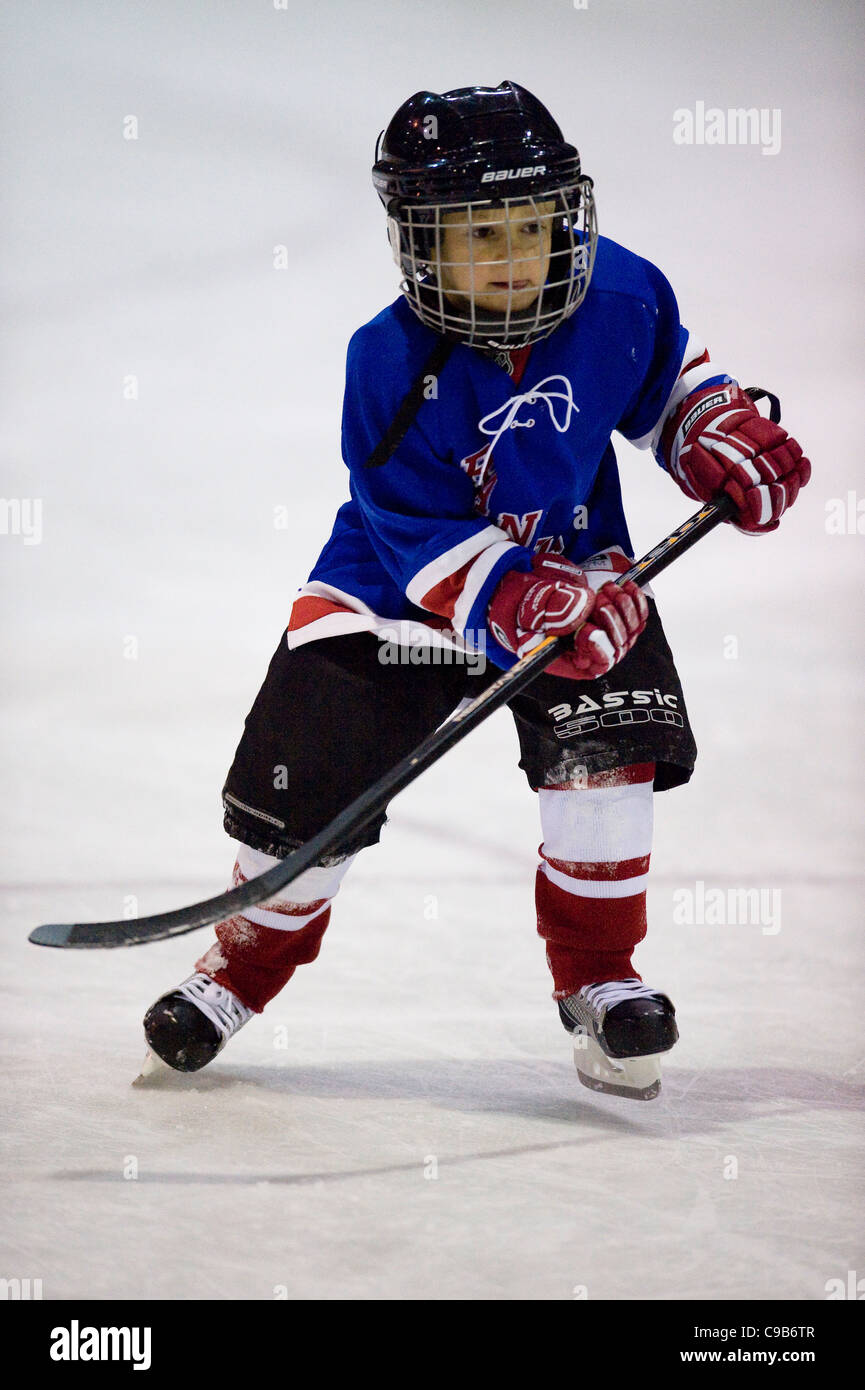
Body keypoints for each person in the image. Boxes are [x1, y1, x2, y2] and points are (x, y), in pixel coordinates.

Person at [142, 81, 809, 1099]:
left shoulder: (622, 295)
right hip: (393, 595)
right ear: (421, 241)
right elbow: (406, 521)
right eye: (479, 232)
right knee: (301, 793)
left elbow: (666, 382)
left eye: (532, 227)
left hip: (581, 580)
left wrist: (713, 431)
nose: (512, 255)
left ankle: (601, 978)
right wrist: (509, 597)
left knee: (606, 773)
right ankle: (237, 970)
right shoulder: (387, 360)